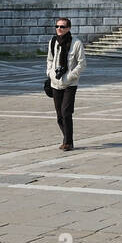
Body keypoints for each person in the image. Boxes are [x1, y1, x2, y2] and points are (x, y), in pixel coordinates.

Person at [46, 15, 85, 151]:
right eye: (57, 26)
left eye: (62, 27)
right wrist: (50, 73)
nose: (59, 29)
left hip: (70, 83)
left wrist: (69, 77)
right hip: (55, 82)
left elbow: (82, 64)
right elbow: (50, 59)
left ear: (68, 28)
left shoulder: (76, 43)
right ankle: (67, 138)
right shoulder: (53, 42)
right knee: (59, 115)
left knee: (66, 112)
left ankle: (68, 142)